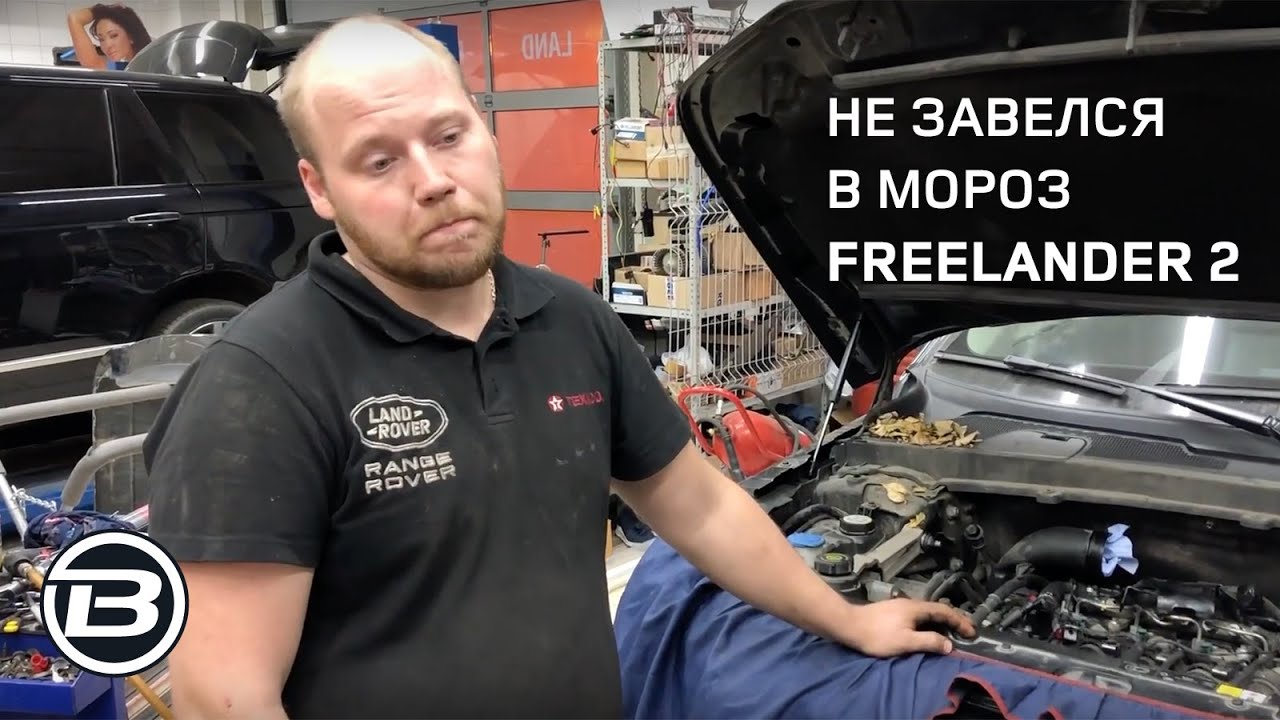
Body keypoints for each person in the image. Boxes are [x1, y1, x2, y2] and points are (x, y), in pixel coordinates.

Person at [143, 14, 976, 720]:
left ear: (484, 129)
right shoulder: (261, 383)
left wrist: (846, 620)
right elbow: (225, 696)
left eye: (448, 136)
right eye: (379, 160)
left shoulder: (571, 321)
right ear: (319, 187)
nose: (434, 180)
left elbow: (698, 506)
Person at [66, 4, 152, 70]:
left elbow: (74, 18)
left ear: (131, 36)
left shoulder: (151, 65)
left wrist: (101, 10)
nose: (107, 45)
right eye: (101, 39)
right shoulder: (125, 67)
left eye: (114, 35)